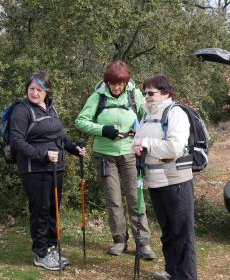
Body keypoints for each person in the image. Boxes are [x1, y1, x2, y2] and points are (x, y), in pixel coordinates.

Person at [75, 60, 156, 259]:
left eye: (121, 83)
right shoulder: (97, 97)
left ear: (126, 82)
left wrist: (138, 130)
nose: (117, 87)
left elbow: (149, 117)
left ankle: (143, 243)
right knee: (114, 200)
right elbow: (80, 121)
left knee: (135, 198)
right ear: (107, 82)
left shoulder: (134, 94)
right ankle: (119, 240)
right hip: (104, 156)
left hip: (130, 154)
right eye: (113, 83)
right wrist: (104, 130)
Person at [10, 70, 86, 271]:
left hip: (55, 168)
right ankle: (41, 253)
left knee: (53, 209)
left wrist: (73, 149)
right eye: (31, 89)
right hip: (33, 169)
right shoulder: (22, 110)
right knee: (41, 210)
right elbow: (17, 142)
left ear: (47, 92)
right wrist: (43, 155)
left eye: (39, 90)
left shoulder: (51, 109)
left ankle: (51, 247)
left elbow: (58, 137)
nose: (34, 93)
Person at [132, 75, 197, 280]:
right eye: (145, 93)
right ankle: (171, 271)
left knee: (182, 233)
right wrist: (137, 144)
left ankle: (186, 276)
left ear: (166, 93)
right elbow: (139, 139)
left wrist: (146, 143)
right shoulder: (147, 115)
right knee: (168, 230)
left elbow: (175, 148)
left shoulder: (175, 113)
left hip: (175, 180)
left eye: (151, 93)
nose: (147, 96)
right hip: (155, 180)